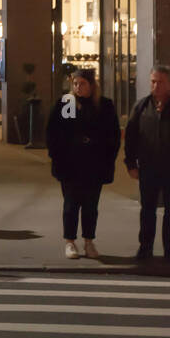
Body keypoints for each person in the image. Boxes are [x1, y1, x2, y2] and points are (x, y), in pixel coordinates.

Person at [123, 65, 170, 261]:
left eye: (160, 82)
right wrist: (131, 164)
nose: (156, 86)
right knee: (147, 210)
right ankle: (145, 248)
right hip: (148, 168)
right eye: (153, 81)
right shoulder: (141, 107)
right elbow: (131, 137)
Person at [46, 68, 121, 259]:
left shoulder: (103, 106)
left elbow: (112, 135)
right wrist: (60, 154)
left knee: (90, 205)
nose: (78, 87)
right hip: (70, 165)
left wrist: (101, 151)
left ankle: (89, 241)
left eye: (83, 84)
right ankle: (70, 242)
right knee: (71, 204)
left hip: (94, 165)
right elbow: (56, 132)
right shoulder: (68, 103)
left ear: (92, 85)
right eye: (75, 84)